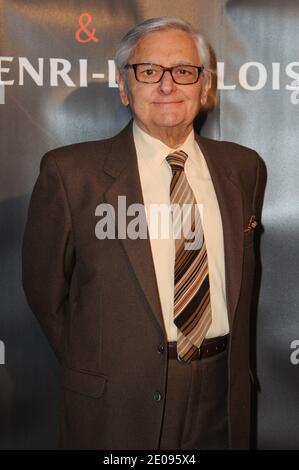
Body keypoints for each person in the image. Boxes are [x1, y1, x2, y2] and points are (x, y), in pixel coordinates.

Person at [22, 16, 266, 450]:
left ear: (204, 87)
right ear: (123, 87)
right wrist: (100, 365)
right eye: (149, 71)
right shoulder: (70, 174)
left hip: (223, 395)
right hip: (117, 402)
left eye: (183, 71)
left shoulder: (243, 168)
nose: (167, 85)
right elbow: (45, 291)